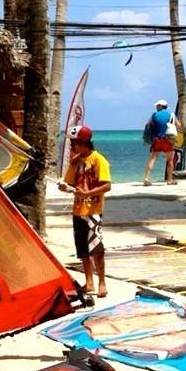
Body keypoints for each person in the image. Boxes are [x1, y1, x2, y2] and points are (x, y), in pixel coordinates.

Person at [58, 125, 111, 298]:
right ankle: (89, 282)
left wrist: (87, 193)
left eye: (74, 143)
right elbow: (71, 185)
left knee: (97, 249)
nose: (72, 147)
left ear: (84, 143)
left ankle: (101, 282)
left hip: (93, 211)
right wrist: (64, 188)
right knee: (82, 249)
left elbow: (107, 185)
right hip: (78, 210)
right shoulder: (76, 161)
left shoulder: (99, 160)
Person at [143, 98, 180, 186]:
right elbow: (178, 125)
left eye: (157, 106)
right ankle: (169, 180)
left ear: (161, 106)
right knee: (170, 160)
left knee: (153, 158)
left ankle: (146, 178)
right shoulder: (171, 115)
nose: (156, 107)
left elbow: (147, 125)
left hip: (157, 139)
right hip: (168, 140)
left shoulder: (154, 115)